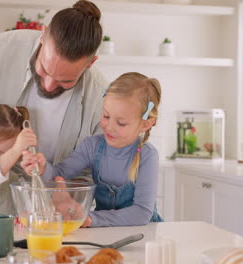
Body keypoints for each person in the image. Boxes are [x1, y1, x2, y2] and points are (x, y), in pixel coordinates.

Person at [0, 0, 108, 221]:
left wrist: (67, 199)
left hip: (46, 220)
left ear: (90, 63)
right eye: (44, 69)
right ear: (43, 35)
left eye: (65, 81)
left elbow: (89, 172)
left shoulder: (99, 97)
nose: (48, 85)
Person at [21, 72, 163, 227]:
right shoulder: (93, 146)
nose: (109, 127)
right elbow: (59, 173)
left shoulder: (147, 156)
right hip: (104, 231)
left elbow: (141, 213)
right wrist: (42, 168)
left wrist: (90, 219)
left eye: (121, 123)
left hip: (145, 235)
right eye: (106, 116)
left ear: (146, 124)